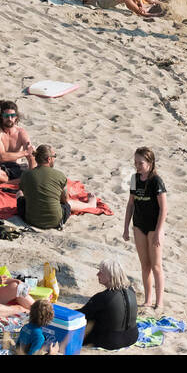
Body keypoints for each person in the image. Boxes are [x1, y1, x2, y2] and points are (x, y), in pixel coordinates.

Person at [124, 147, 167, 310]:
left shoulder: (156, 181)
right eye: (135, 162)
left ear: (150, 163)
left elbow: (164, 209)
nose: (137, 165)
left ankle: (159, 301)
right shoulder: (135, 178)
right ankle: (148, 300)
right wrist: (126, 228)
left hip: (154, 227)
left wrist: (158, 231)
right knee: (145, 265)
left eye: (140, 163)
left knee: (156, 265)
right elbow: (130, 204)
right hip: (139, 225)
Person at [77, 258, 138, 351]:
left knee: (92, 316)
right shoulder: (131, 290)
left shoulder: (103, 297)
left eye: (101, 272)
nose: (97, 274)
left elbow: (80, 315)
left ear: (110, 276)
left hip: (112, 342)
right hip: (133, 336)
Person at [16, 144, 69, 230]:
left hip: (30, 220)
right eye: (54, 156)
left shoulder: (26, 174)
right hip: (55, 221)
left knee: (19, 194)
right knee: (67, 206)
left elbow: (25, 193)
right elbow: (65, 200)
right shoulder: (60, 175)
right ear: (49, 159)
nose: (54, 159)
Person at [0, 100, 35, 184]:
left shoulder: (21, 132)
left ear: (16, 117)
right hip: (0, 168)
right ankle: (14, 182)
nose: (10, 119)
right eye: (6, 116)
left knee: (34, 159)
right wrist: (25, 153)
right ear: (1, 117)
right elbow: (2, 157)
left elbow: (31, 153)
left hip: (17, 168)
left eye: (12, 115)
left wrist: (32, 171)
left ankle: (9, 183)